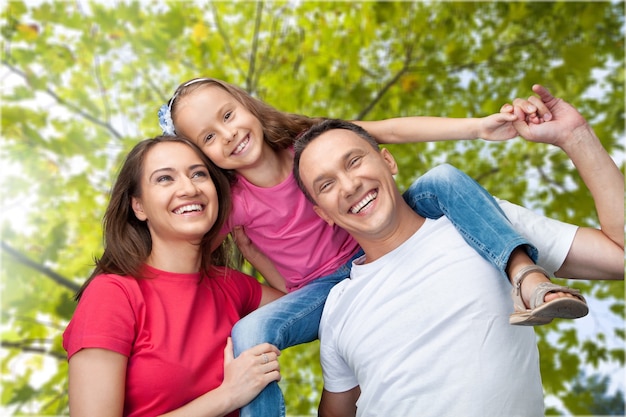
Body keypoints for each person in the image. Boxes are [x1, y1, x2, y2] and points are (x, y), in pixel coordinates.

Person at [157, 78, 610, 416]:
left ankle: (525, 277)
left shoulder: (306, 143)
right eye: (209, 138)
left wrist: (476, 127)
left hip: (376, 241)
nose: (228, 134)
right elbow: (195, 249)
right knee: (249, 334)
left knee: (441, 179)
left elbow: (390, 128)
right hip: (324, 291)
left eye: (228, 115)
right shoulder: (232, 203)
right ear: (204, 156)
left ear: (245, 104)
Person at [292, 85, 624, 416]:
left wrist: (575, 136)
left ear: (388, 160)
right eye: (326, 184)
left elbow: (618, 256)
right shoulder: (336, 306)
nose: (349, 186)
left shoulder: (486, 224)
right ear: (322, 213)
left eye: (353, 162)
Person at [62, 136, 285, 417]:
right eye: (165, 179)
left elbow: (303, 305)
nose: (189, 188)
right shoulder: (112, 294)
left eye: (198, 174)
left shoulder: (230, 285)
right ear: (139, 207)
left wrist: (255, 255)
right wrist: (228, 395)